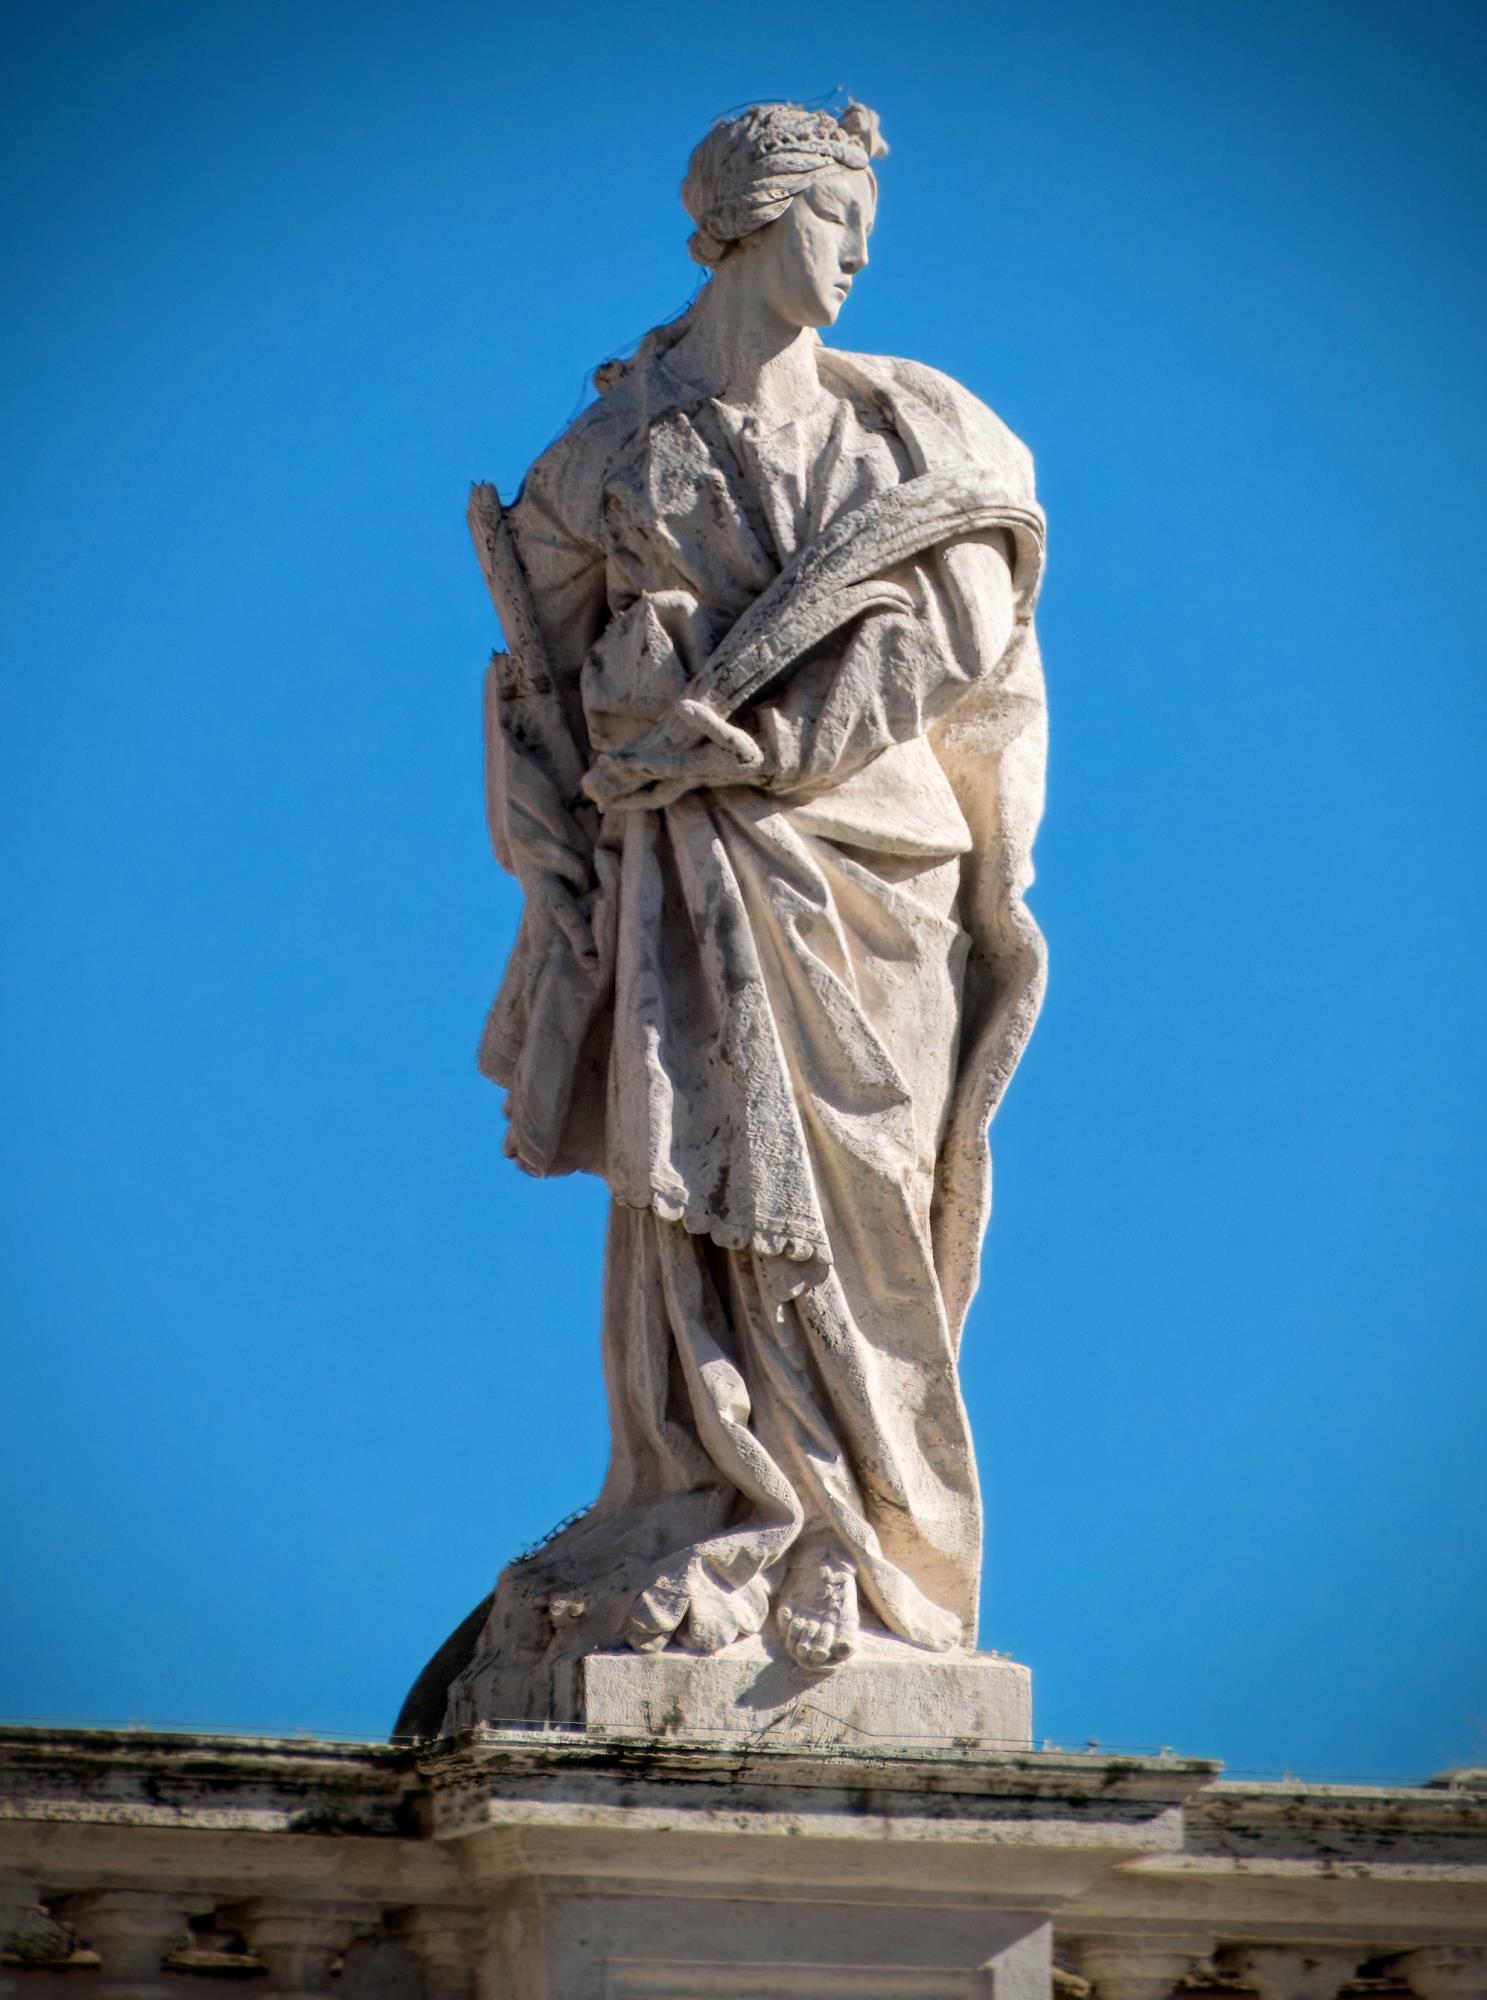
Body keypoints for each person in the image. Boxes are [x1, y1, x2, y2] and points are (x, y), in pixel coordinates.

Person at [401, 100, 1048, 1734]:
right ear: (760, 219)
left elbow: (964, 620)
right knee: (696, 1193)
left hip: (870, 872)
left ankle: (870, 1540)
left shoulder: (919, 429)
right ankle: (713, 1486)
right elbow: (539, 685)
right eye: (839, 226)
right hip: (685, 875)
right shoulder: (609, 452)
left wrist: (767, 740)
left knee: (869, 1195)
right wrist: (589, 795)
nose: (857, 262)